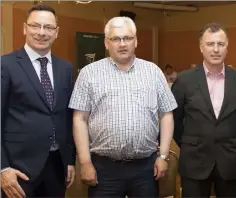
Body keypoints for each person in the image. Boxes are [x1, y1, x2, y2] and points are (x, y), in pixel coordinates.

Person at [69, 16, 177, 197]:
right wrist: (86, 162)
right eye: (115, 39)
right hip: (103, 169)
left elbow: (166, 114)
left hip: (146, 168)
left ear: (136, 41)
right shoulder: (89, 74)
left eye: (127, 38)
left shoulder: (153, 72)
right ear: (106, 43)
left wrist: (163, 156)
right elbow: (79, 119)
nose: (122, 44)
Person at [1, 4, 75, 197]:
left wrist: (69, 160)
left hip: (57, 167)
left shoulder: (65, 69)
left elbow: (67, 117)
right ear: (25, 28)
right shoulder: (5, 65)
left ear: (56, 32)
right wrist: (2, 169)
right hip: (18, 169)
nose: (41, 33)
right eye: (35, 26)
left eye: (48, 27)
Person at [171, 22, 236, 197]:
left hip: (229, 160)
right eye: (210, 44)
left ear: (227, 47)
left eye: (220, 44)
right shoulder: (184, 81)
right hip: (194, 160)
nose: (216, 49)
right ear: (201, 47)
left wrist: (226, 135)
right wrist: (192, 142)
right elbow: (175, 120)